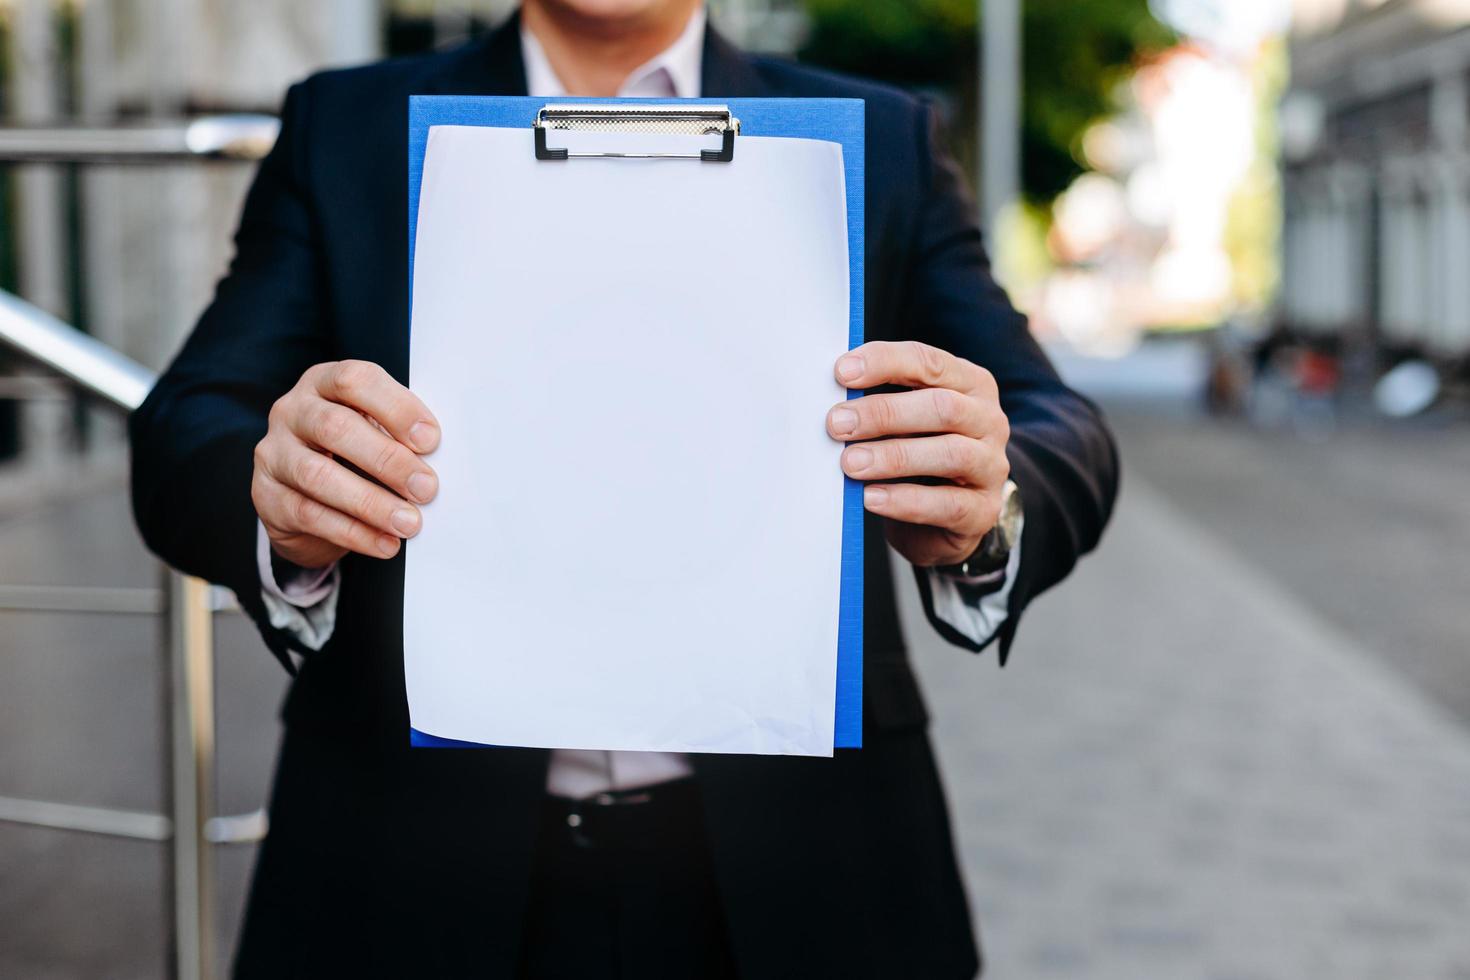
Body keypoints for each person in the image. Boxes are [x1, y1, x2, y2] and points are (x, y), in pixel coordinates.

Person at [129, 0, 1118, 976]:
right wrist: (283, 493)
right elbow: (184, 428)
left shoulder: (878, 136)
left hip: (802, 869)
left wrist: (989, 503)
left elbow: (1057, 425)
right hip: (406, 863)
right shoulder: (346, 126)